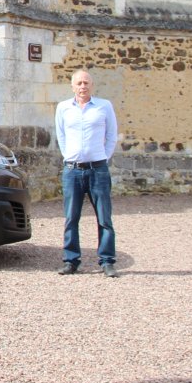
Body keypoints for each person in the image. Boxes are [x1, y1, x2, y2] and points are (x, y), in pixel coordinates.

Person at [54, 69, 119, 277]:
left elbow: (111, 136)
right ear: (73, 86)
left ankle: (107, 261)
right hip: (72, 170)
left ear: (92, 85)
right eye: (79, 83)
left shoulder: (104, 106)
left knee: (104, 218)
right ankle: (71, 261)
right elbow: (61, 135)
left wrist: (102, 157)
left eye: (86, 83)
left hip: (97, 170)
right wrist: (70, 156)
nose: (83, 87)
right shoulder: (63, 107)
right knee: (71, 217)